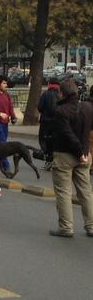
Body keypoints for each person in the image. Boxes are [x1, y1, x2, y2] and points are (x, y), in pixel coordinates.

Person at [48, 79, 93, 237]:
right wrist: (85, 151)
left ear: (63, 93)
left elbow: (67, 134)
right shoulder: (88, 107)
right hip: (85, 156)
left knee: (63, 193)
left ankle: (66, 228)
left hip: (65, 155)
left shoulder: (61, 111)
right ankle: (91, 226)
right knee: (86, 192)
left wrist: (79, 151)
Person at [37, 77, 60, 170]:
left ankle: (48, 160)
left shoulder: (45, 94)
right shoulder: (60, 95)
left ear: (49, 84)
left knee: (44, 141)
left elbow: (40, 107)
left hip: (45, 121)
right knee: (55, 141)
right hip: (57, 122)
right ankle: (55, 161)